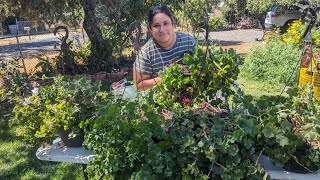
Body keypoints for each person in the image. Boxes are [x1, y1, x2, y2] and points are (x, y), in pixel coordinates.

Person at [133, 5, 196, 90]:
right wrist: (166, 77)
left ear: (172, 23)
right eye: (156, 25)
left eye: (166, 23)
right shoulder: (145, 53)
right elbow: (139, 85)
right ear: (150, 29)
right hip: (160, 99)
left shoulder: (188, 41)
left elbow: (199, 68)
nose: (162, 29)